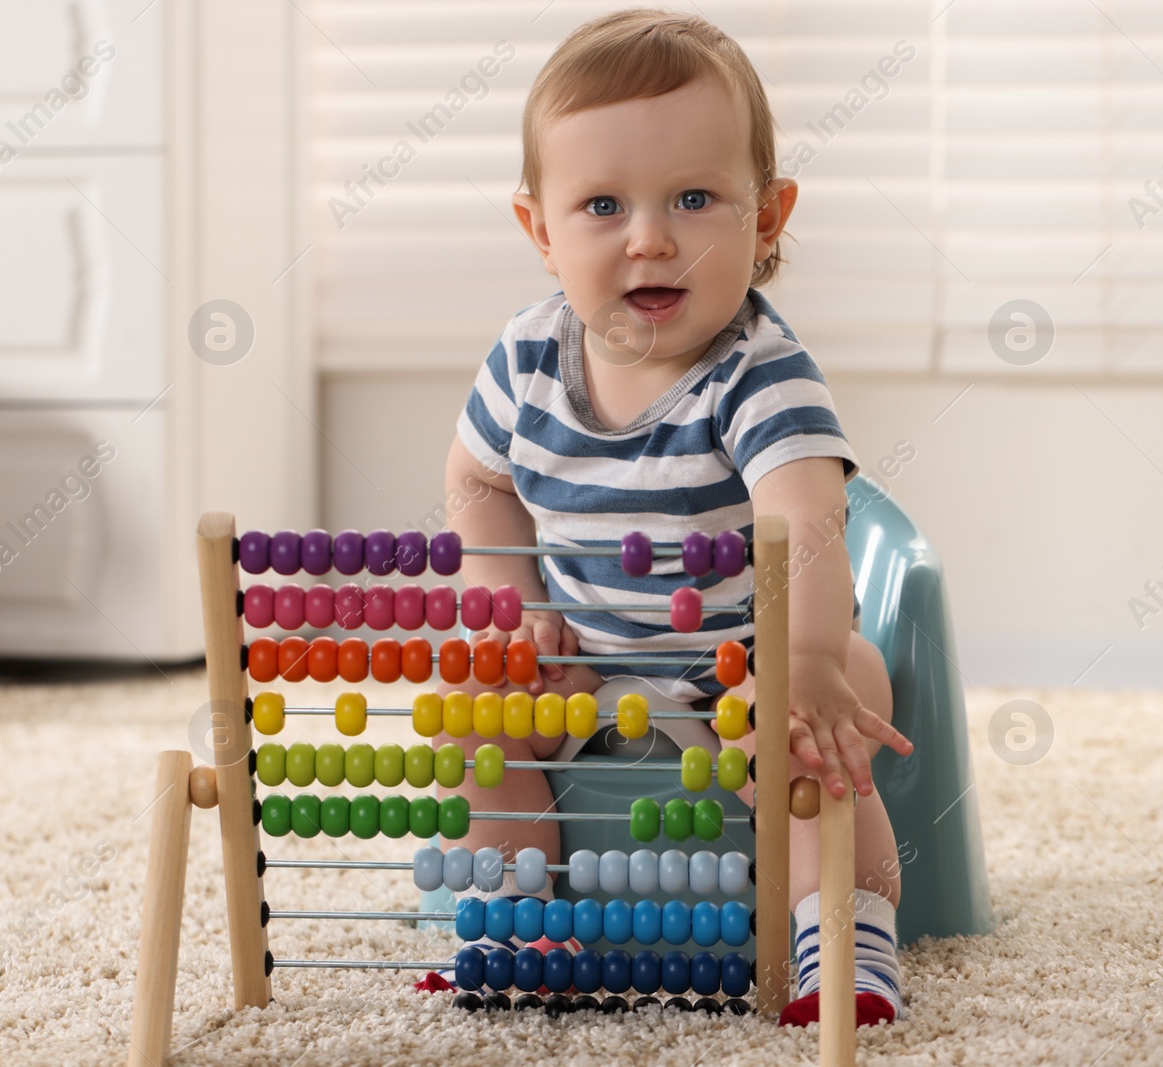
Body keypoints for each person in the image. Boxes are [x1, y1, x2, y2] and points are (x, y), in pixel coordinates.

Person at [434, 8, 915, 1026]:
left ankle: (847, 932)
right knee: (473, 703)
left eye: (693, 198)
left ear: (767, 216)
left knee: (817, 736)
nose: (649, 237)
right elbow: (477, 486)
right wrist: (510, 609)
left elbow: (808, 518)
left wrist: (812, 658)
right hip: (585, 666)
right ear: (539, 230)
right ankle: (511, 922)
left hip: (744, 661)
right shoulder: (525, 361)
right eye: (602, 204)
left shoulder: (760, 374)